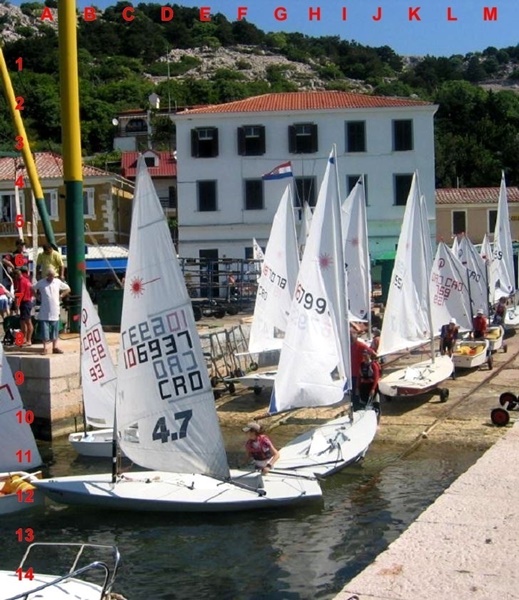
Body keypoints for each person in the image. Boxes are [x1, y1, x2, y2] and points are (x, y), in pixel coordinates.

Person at [33, 267, 70, 355]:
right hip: (44, 311)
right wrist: (37, 296)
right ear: (47, 275)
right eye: (50, 276)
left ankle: (55, 347)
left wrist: (61, 295)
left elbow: (68, 289)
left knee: (55, 330)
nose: (51, 277)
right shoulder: (41, 282)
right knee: (45, 331)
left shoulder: (57, 281)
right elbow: (33, 288)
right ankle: (45, 348)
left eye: (53, 276)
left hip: (55, 310)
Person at [356, 350, 381, 416]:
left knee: (376, 404)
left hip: (372, 386)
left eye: (366, 355)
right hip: (364, 386)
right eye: (363, 355)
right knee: (363, 403)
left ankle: (377, 419)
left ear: (369, 355)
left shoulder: (373, 365)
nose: (364, 357)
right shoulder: (361, 365)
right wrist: (358, 387)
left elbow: (376, 377)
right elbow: (359, 377)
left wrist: (373, 389)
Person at [12, 269, 34, 345]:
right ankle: (24, 339)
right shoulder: (27, 280)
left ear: (16, 275)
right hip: (28, 301)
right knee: (23, 321)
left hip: (25, 303)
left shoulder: (21, 281)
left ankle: (28, 340)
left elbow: (20, 294)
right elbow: (31, 290)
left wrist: (16, 304)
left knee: (27, 321)